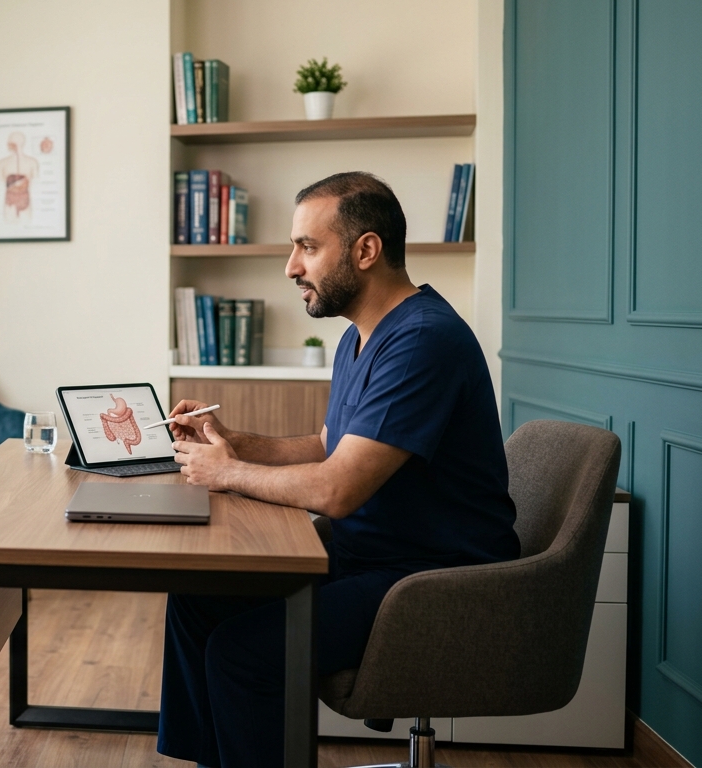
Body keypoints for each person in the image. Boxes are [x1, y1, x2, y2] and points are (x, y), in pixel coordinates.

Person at [157, 173, 519, 768]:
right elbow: (330, 447)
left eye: (307, 246)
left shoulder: (422, 341)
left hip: (430, 581)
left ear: (366, 250)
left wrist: (225, 472)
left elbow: (337, 489)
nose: (291, 267)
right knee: (197, 598)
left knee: (242, 653)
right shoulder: (361, 336)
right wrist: (231, 441)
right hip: (369, 560)